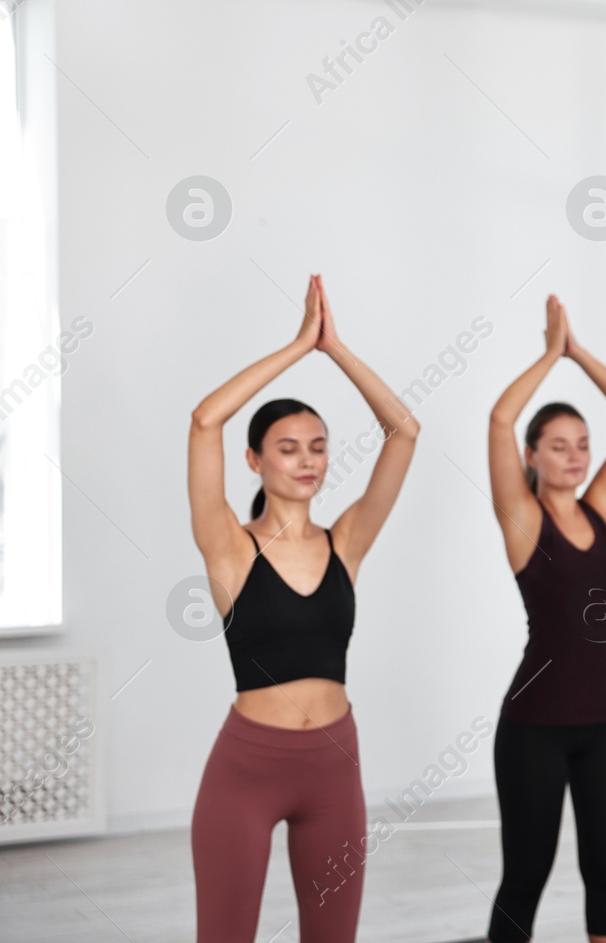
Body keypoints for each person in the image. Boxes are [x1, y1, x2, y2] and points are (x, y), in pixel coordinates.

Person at [187, 274, 420, 943]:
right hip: (246, 770)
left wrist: (335, 349)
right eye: (288, 448)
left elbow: (403, 431)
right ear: (254, 460)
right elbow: (205, 418)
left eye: (317, 446)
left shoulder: (345, 541)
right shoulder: (229, 546)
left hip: (334, 768)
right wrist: (296, 347)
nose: (307, 459)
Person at [482, 294, 606, 943]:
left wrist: (580, 355)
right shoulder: (523, 520)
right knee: (526, 874)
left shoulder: (603, 508)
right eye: (558, 446)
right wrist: (550, 355)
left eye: (581, 445)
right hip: (535, 727)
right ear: (532, 455)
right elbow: (499, 417)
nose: (575, 456)